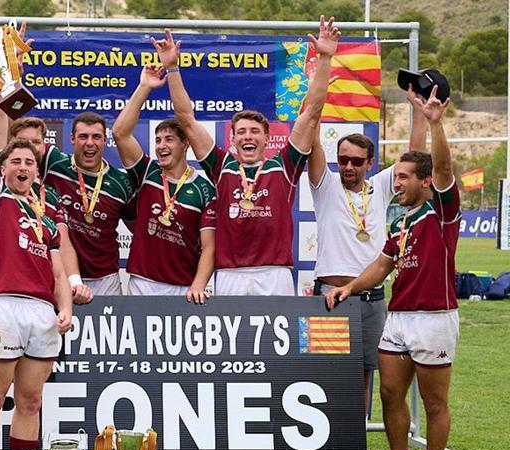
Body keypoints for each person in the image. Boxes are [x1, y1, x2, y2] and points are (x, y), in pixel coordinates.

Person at [326, 86, 459, 450]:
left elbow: (444, 168)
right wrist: (349, 287)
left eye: (403, 177)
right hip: (397, 316)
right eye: (395, 176)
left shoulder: (441, 210)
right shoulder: (399, 222)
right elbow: (382, 266)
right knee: (388, 393)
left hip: (434, 317)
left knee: (434, 402)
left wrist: (434, 123)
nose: (395, 183)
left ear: (425, 181)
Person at [154, 17, 339, 295]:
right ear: (233, 139)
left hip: (275, 273)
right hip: (230, 274)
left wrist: (324, 57)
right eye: (241, 132)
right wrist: (172, 67)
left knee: (278, 342)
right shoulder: (222, 166)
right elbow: (187, 119)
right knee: (232, 342)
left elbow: (311, 112)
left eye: (255, 131)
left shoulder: (284, 165)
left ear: (267, 138)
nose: (248, 137)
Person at [0, 63, 72, 450]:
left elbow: (58, 267)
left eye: (30, 160)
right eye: (17, 161)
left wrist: (64, 306)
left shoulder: (45, 210)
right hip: (3, 305)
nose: (24, 166)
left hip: (42, 311)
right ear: (4, 168)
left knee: (31, 400)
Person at [309, 87, 427, 450]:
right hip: (330, 299)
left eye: (357, 161)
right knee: (324, 378)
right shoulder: (324, 184)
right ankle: (320, 449)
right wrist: (315, 92)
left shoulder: (378, 187)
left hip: (371, 300)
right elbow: (311, 132)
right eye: (343, 159)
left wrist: (420, 113)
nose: (348, 166)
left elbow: (418, 156)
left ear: (370, 163)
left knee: (362, 377)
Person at [112, 64, 216, 302]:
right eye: (158, 140)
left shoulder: (204, 189)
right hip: (142, 283)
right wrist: (144, 87)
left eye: (169, 139)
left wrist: (199, 285)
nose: (161, 146)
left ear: (185, 144)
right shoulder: (147, 171)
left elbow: (210, 246)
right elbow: (120, 133)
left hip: (184, 287)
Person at [33, 112, 137, 298]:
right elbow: (17, 141)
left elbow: (138, 230)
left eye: (96, 137)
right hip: (58, 272)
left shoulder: (122, 183)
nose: (90, 143)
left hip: (105, 279)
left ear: (105, 140)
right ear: (72, 139)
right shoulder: (53, 162)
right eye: (83, 136)